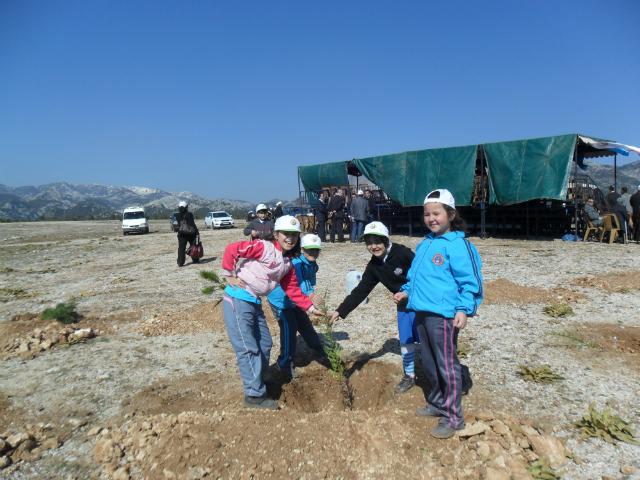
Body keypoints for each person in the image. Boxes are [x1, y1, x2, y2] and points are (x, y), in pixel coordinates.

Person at [394, 189, 483, 439]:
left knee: (446, 365)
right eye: (427, 214)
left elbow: (470, 281)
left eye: (437, 213)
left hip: (443, 316)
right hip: (421, 312)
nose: (431, 218)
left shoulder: (459, 245)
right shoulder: (425, 244)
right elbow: (414, 277)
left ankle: (454, 418)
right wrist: (406, 293)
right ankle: (437, 403)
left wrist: (464, 309)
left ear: (451, 214)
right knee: (430, 362)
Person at [222, 216, 322, 410]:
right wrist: (229, 275)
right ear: (276, 234)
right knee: (247, 347)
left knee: (265, 343)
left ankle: (257, 381)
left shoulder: (287, 262)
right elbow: (233, 249)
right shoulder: (264, 247)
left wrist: (310, 308)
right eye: (286, 234)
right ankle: (254, 396)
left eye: (294, 234)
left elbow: (293, 289)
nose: (290, 238)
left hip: (254, 302)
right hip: (238, 299)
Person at [330, 222, 418, 392]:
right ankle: (410, 375)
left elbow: (423, 274)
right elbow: (361, 290)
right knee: (406, 339)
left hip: (423, 302)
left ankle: (438, 371)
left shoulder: (403, 253)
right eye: (369, 243)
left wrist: (411, 293)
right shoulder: (374, 266)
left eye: (377, 241)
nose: (374, 247)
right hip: (403, 305)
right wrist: (340, 311)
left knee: (427, 338)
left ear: (385, 240)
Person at [267, 234, 327, 378]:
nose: (313, 253)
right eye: (309, 250)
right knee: (289, 328)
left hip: (297, 300)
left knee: (305, 323)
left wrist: (309, 294)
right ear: (301, 249)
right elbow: (299, 281)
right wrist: (310, 295)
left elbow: (309, 280)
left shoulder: (312, 264)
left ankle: (317, 346)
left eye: (316, 250)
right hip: (280, 300)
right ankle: (284, 363)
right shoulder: (295, 263)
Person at [175, 201, 200, 267]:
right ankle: (195, 259)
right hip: (190, 233)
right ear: (186, 207)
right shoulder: (189, 214)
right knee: (193, 245)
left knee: (181, 248)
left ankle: (180, 262)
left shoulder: (177, 215)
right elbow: (192, 224)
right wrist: (197, 232)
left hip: (181, 233)